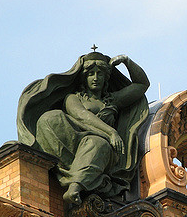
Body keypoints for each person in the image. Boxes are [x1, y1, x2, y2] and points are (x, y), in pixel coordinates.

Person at [17, 50, 149, 205]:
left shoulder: (111, 100)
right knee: (50, 118)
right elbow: (81, 116)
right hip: (76, 139)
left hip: (103, 148)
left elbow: (142, 84)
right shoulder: (73, 98)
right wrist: (111, 132)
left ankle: (75, 187)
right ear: (84, 77)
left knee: (96, 143)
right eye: (90, 74)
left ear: (106, 78)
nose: (95, 78)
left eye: (100, 74)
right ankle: (63, 167)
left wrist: (126, 61)